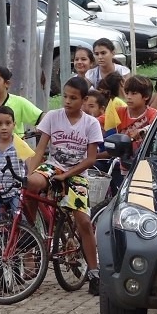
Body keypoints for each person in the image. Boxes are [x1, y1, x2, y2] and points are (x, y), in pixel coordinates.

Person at [27, 77, 102, 295]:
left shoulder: (91, 123)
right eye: (65, 96)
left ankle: (94, 272)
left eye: (73, 98)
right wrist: (31, 172)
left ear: (84, 100)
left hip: (76, 173)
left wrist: (68, 174)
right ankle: (29, 231)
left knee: (84, 222)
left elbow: (91, 159)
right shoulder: (52, 116)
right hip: (53, 167)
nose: (67, 101)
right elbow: (40, 149)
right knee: (31, 185)